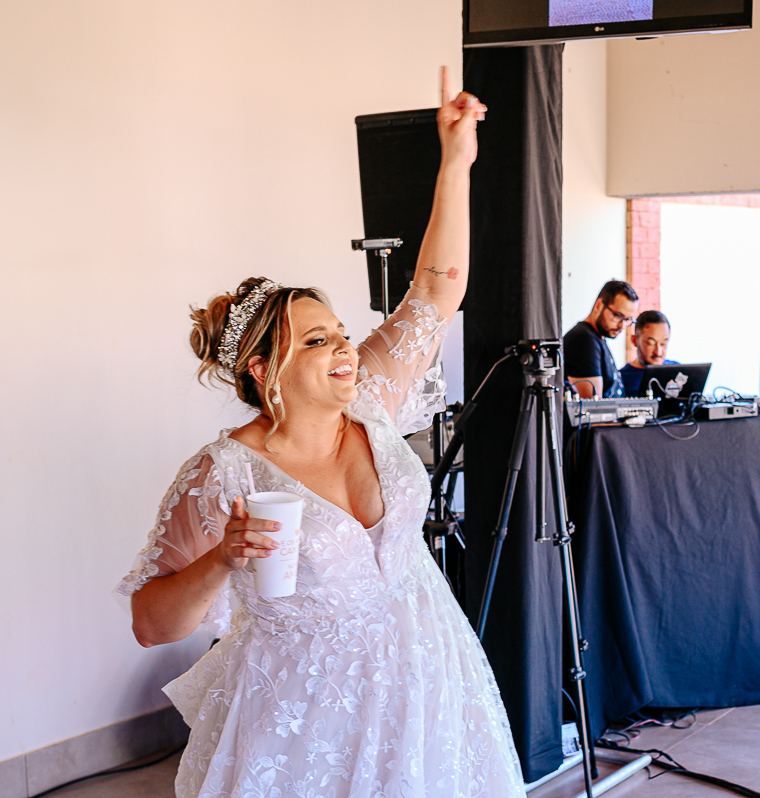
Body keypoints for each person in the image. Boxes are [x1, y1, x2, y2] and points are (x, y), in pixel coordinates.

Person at [115, 72, 526, 798]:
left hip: (428, 675)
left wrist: (456, 159)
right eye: (316, 341)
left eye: (340, 334)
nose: (343, 349)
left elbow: (435, 288)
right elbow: (152, 624)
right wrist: (221, 559)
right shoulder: (224, 474)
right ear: (263, 367)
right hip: (303, 715)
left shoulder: (369, 400)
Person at [563, 280, 638, 399]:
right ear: (599, 305)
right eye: (618, 316)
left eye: (628, 320)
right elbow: (591, 408)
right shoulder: (584, 340)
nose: (622, 326)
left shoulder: (596, 338)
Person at [618, 309, 678, 396]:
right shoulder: (621, 379)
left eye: (663, 344)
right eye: (651, 343)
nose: (658, 352)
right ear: (635, 340)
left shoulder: (677, 371)